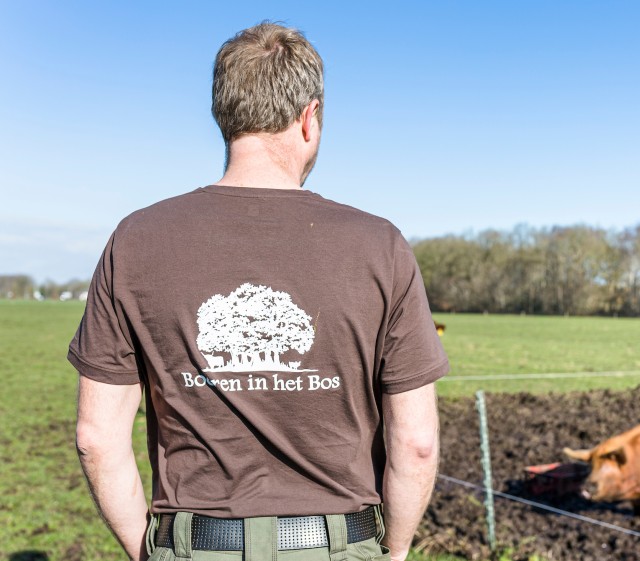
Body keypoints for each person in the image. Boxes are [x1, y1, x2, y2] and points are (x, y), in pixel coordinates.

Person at [69, 22, 448, 561]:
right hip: (339, 546)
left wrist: (150, 551)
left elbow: (97, 437)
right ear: (309, 118)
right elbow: (416, 443)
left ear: (223, 117)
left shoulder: (137, 240)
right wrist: (396, 551)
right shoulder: (380, 246)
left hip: (195, 547)